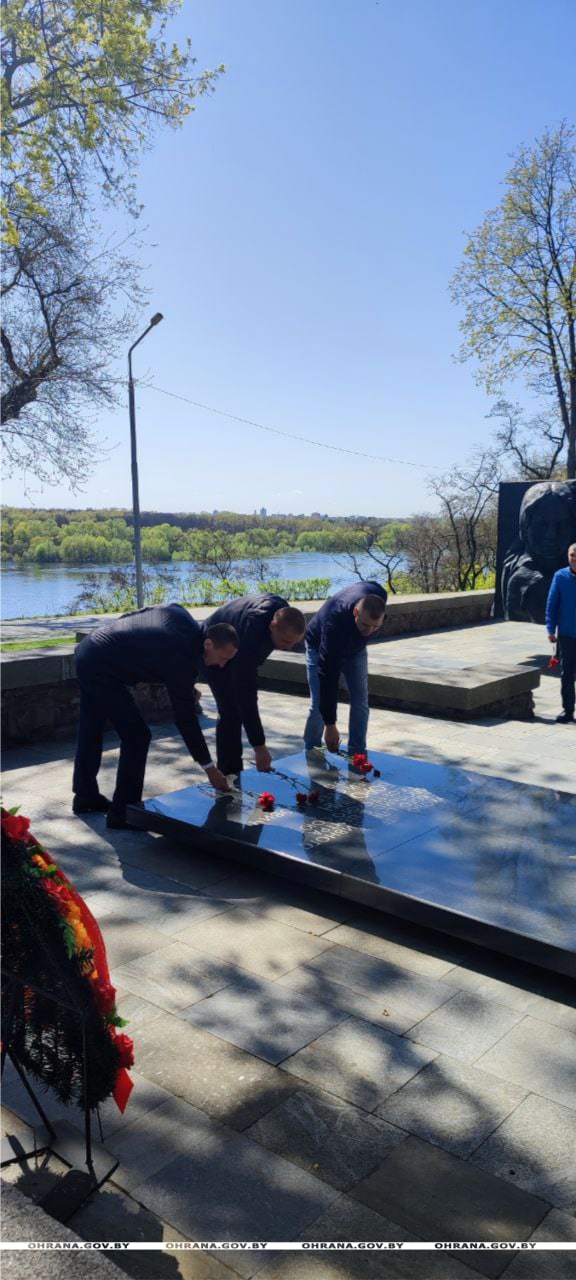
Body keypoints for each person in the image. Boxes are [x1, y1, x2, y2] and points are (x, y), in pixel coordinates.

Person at [72, 604, 239, 827]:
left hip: (90, 649)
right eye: (223, 657)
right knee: (137, 736)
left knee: (91, 728)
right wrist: (209, 768)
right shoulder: (182, 658)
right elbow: (185, 719)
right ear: (208, 644)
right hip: (100, 666)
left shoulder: (185, 620)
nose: (222, 664)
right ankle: (123, 813)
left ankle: (85, 797)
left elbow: (136, 615)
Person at [202, 593, 306, 776]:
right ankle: (229, 774)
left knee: (236, 708)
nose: (289, 648)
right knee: (230, 710)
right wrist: (259, 746)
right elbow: (246, 691)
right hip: (214, 646)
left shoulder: (283, 614)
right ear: (272, 626)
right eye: (285, 642)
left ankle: (232, 772)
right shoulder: (254, 633)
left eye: (294, 643)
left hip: (236, 641)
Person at [304, 581, 387, 755]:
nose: (369, 631)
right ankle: (311, 752)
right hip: (319, 645)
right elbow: (328, 676)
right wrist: (330, 725)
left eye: (375, 627)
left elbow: (368, 622)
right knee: (319, 702)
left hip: (355, 649)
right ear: (356, 612)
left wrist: (364, 629)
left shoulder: (379, 595)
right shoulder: (336, 620)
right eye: (365, 625)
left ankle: (357, 751)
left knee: (360, 700)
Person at [502, 480, 576, 623]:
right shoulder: (525, 580)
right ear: (525, 525)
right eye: (542, 524)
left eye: (561, 525)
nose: (551, 534)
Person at [545, 542, 576, 724]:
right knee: (567, 675)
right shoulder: (560, 576)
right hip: (566, 635)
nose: (574, 559)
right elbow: (551, 604)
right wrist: (550, 628)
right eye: (572, 555)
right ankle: (567, 711)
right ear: (568, 556)